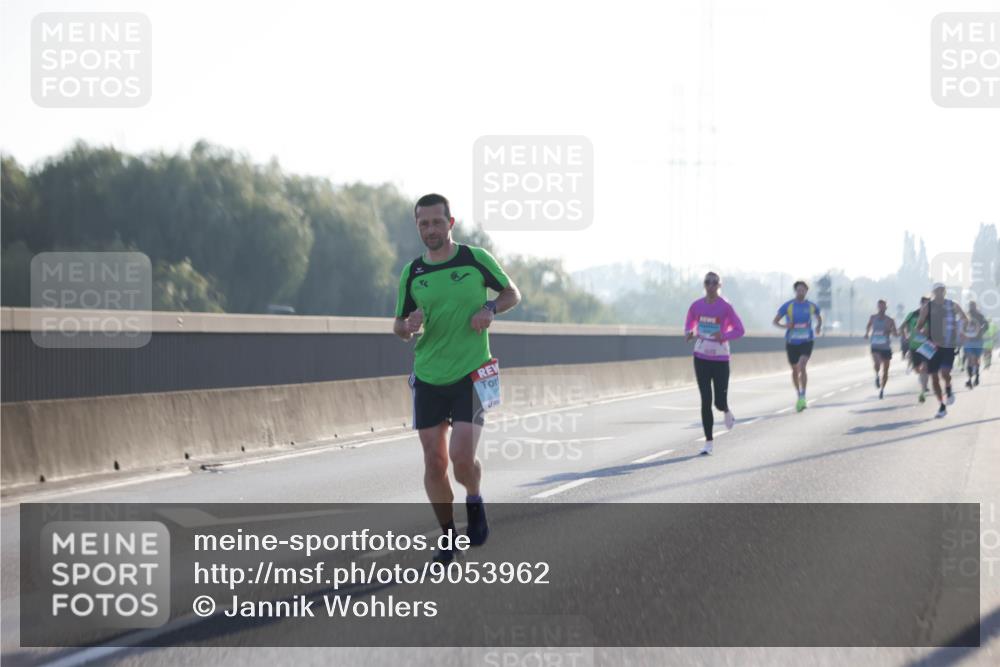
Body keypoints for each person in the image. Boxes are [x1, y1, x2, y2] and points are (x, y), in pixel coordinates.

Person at [393, 193, 521, 562]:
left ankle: (475, 500)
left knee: (461, 457)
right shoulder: (413, 273)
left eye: (436, 222)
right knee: (434, 462)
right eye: (423, 223)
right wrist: (408, 326)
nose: (430, 229)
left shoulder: (474, 259)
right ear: (417, 226)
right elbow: (399, 325)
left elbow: (512, 292)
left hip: (472, 372)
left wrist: (490, 307)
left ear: (450, 223)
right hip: (429, 375)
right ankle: (448, 535)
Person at [684, 272, 746, 455]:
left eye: (714, 283)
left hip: (720, 358)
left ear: (719, 285)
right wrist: (688, 333)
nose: (710, 286)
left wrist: (724, 335)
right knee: (705, 400)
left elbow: (740, 330)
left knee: (719, 401)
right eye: (707, 282)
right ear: (704, 285)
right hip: (701, 355)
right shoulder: (696, 306)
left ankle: (725, 409)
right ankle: (708, 442)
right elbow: (689, 324)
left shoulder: (726, 307)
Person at [916, 283, 968, 418]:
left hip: (948, 345)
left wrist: (962, 331)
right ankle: (942, 406)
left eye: (941, 290)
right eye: (936, 291)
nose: (939, 293)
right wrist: (922, 332)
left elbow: (964, 319)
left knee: (945, 373)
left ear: (945, 292)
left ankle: (949, 388)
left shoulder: (953, 304)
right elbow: (919, 326)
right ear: (933, 292)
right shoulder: (927, 307)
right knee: (933, 378)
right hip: (931, 345)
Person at [773, 280, 823, 412]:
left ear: (806, 291)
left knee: (802, 366)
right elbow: (775, 321)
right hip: (792, 342)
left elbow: (819, 317)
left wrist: (818, 326)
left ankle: (803, 395)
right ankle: (799, 394)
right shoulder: (788, 306)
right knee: (795, 370)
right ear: (796, 291)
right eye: (799, 290)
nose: (801, 292)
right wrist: (785, 326)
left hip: (807, 340)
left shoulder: (811, 306)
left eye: (803, 290)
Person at [901, 296, 932, 402]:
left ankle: (923, 392)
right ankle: (923, 383)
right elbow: (903, 326)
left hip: (927, 345)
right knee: (917, 369)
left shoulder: (932, 316)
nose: (927, 306)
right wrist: (906, 335)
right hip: (914, 345)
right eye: (925, 304)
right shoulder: (912, 314)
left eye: (929, 304)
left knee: (925, 368)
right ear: (921, 304)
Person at [864, 299, 898, 399]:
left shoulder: (890, 320)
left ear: (886, 308)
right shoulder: (872, 317)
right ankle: (877, 376)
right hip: (875, 345)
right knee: (877, 363)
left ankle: (882, 389)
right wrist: (866, 333)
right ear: (877, 307)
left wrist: (890, 331)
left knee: (886, 370)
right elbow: (868, 326)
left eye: (883, 306)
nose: (881, 308)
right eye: (879, 306)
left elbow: (895, 334)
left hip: (886, 347)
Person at [962, 301, 988, 388]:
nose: (972, 307)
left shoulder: (980, 316)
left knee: (976, 360)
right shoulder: (966, 315)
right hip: (968, 341)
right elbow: (961, 326)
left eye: (973, 306)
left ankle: (977, 376)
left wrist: (981, 330)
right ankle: (969, 379)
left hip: (978, 341)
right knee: (970, 359)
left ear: (976, 306)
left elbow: (986, 325)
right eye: (970, 306)